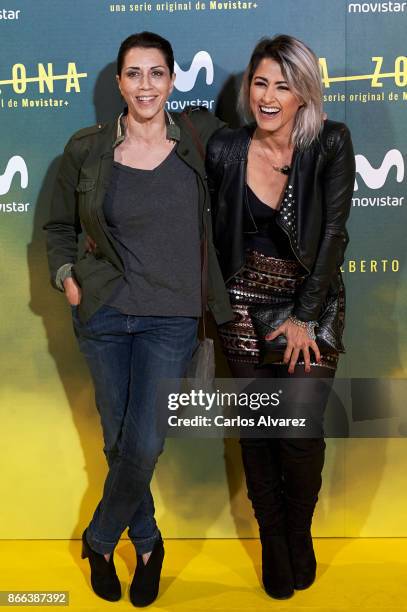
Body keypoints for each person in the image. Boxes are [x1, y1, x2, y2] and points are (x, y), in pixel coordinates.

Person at [44, 31, 232, 607]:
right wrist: (68, 280)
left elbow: (269, 143)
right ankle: (147, 543)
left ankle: (100, 540)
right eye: (134, 74)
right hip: (103, 313)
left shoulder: (200, 141)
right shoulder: (86, 148)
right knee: (117, 437)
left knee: (144, 442)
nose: (145, 85)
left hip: (171, 318)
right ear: (120, 82)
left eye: (156, 73)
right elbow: (58, 229)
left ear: (171, 80)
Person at [207, 35, 355, 599]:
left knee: (297, 431)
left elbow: (333, 236)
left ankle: (299, 533)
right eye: (260, 82)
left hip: (308, 307)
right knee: (257, 433)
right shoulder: (225, 148)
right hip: (243, 308)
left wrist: (303, 317)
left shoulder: (331, 142)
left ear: (303, 94)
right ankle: (272, 539)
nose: (268, 96)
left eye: (283, 85)